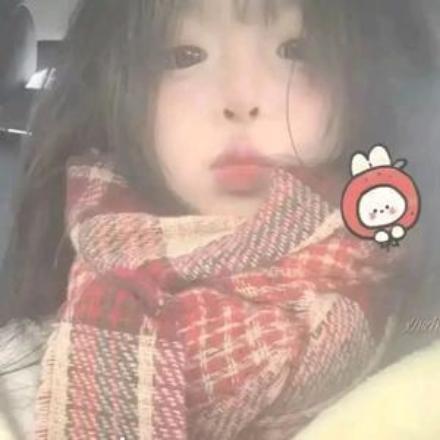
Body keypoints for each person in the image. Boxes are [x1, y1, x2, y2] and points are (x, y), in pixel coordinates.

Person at [0, 0, 439, 438]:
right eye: (185, 56)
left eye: (295, 50)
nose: (240, 99)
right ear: (119, 98)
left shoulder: (421, 321)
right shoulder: (25, 377)